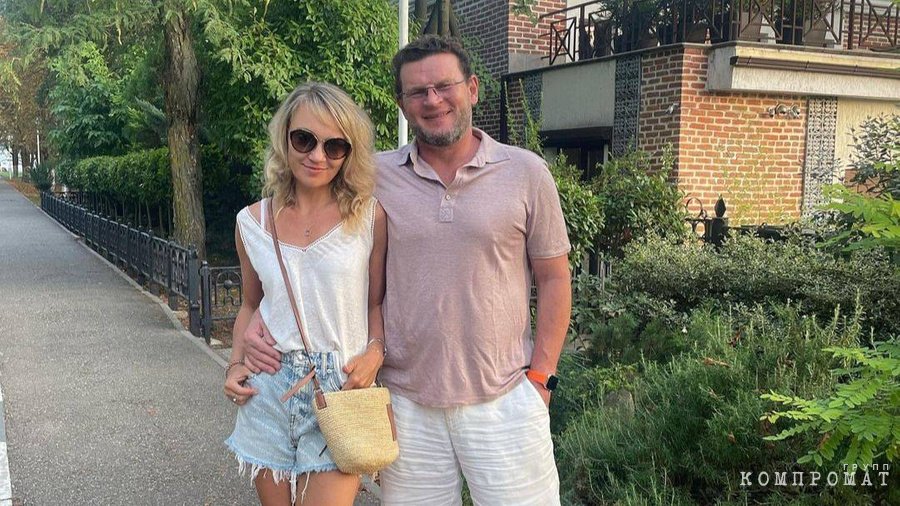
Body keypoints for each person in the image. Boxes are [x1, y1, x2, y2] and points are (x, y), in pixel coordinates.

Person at [244, 35, 572, 505]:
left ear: (473, 88)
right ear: (401, 104)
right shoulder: (369, 179)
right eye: (417, 92)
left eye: (444, 85)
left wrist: (542, 379)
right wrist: (259, 319)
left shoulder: (526, 172)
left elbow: (555, 278)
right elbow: (306, 247)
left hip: (504, 401)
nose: (432, 100)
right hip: (404, 403)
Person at [223, 81, 388, 506]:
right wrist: (235, 364)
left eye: (335, 146)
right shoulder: (251, 223)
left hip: (340, 385)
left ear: (349, 153)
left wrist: (375, 352)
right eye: (305, 139)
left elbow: (375, 302)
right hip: (269, 386)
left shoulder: (368, 217)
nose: (317, 156)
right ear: (285, 138)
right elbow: (250, 305)